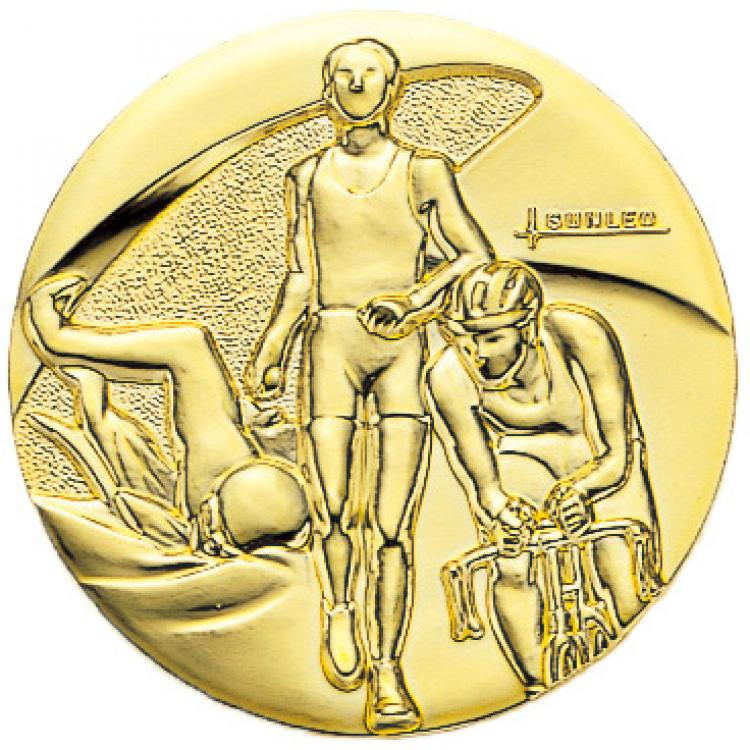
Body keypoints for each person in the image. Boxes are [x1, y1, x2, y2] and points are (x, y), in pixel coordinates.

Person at [245, 38, 492, 733]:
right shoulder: (305, 175)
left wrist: (415, 303)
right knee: (330, 510)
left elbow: (473, 254)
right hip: (328, 345)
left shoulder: (424, 170)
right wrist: (273, 345)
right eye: (345, 75)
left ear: (392, 87)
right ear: (328, 88)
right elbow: (301, 274)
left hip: (400, 349)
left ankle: (387, 671)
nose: (357, 86)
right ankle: (338, 609)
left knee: (390, 527)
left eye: (371, 75)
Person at [426, 259, 662, 693]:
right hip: (520, 460)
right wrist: (502, 513)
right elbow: (482, 484)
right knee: (513, 565)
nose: (478, 354)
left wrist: (584, 491)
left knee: (623, 571)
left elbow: (618, 452)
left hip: (597, 455)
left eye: (493, 338)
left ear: (529, 327)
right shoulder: (447, 375)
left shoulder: (580, 334)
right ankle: (535, 685)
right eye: (467, 338)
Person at [22, 273, 309, 556]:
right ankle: (62, 345)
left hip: (236, 503)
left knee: (190, 349)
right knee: (193, 354)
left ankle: (57, 341)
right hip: (254, 499)